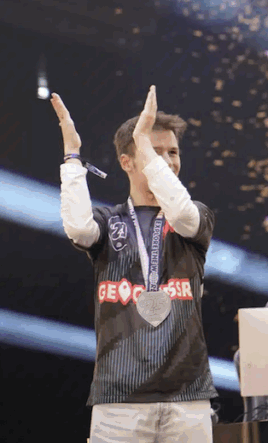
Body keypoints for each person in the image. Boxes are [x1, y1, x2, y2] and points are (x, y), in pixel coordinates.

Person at [53, 86, 217, 442]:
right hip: (118, 401)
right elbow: (78, 228)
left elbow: (181, 214)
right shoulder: (108, 222)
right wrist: (72, 158)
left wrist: (144, 142)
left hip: (188, 399)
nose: (168, 162)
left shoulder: (195, 217)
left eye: (173, 152)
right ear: (127, 162)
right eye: (154, 152)